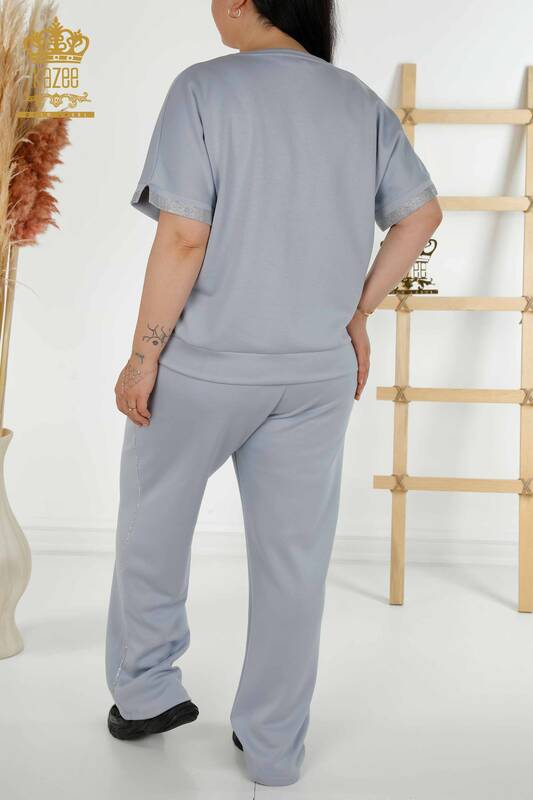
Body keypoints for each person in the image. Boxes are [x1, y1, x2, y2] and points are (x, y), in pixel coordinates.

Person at [104, 0, 443, 787]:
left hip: (204, 367)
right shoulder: (357, 102)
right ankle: (273, 745)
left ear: (241, 2)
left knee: (154, 523)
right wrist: (356, 312)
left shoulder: (204, 88)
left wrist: (143, 357)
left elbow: (184, 235)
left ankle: (148, 693)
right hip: (316, 374)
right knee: (294, 560)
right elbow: (420, 214)